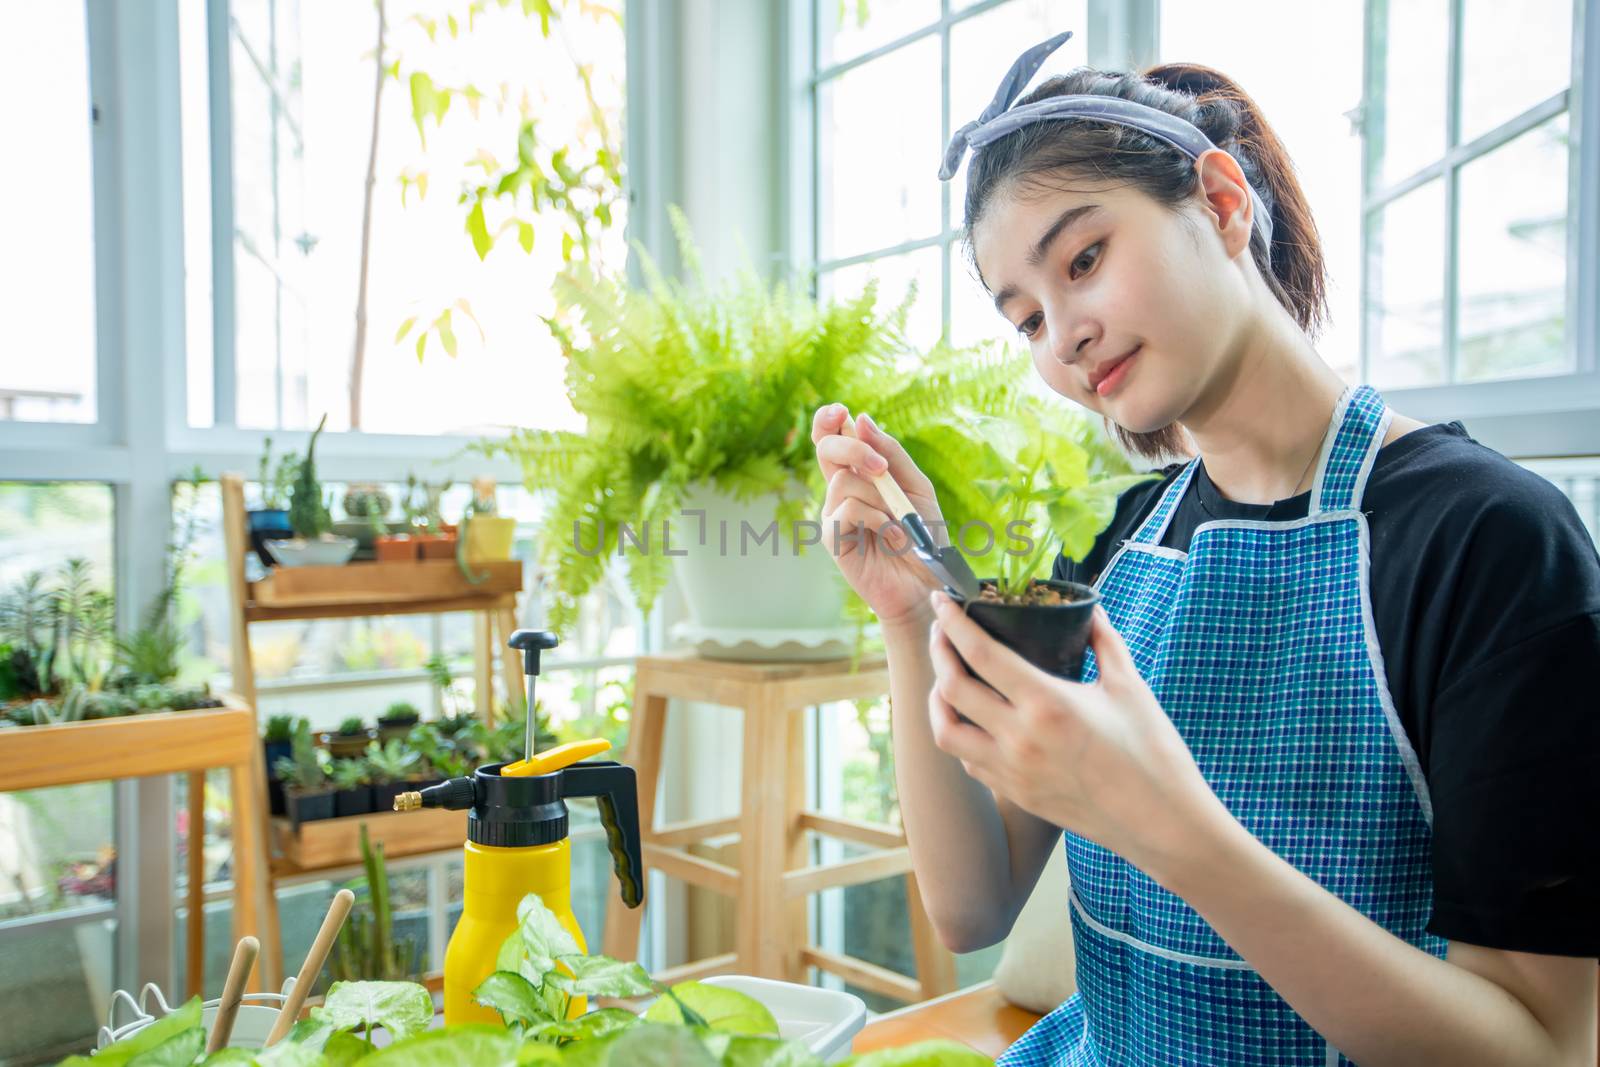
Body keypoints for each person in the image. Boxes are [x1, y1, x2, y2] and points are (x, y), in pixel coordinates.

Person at [811, 30, 1599, 1066]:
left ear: (1222, 204)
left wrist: (1160, 821)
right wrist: (907, 614)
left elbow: (1544, 1049)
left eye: (1084, 259)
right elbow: (973, 903)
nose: (1063, 336)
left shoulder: (1490, 544)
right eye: (1026, 318)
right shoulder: (1126, 540)